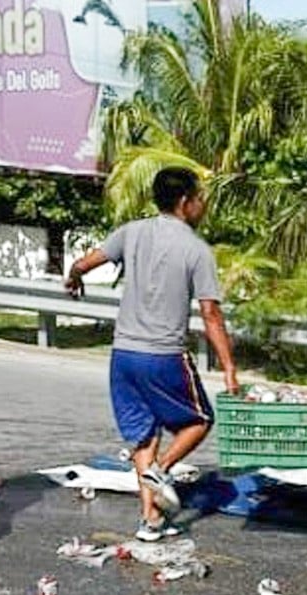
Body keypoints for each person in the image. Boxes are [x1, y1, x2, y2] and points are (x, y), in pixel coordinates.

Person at [66, 167, 238, 542]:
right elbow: (211, 313)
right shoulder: (196, 249)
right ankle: (161, 470)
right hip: (163, 355)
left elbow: (83, 263)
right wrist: (228, 368)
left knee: (144, 437)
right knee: (201, 419)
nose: (203, 204)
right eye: (200, 197)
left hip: (123, 355)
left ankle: (151, 521)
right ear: (184, 202)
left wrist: (74, 277)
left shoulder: (132, 232)